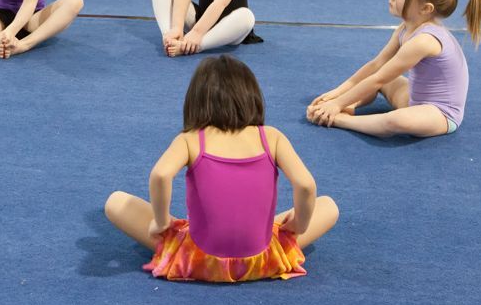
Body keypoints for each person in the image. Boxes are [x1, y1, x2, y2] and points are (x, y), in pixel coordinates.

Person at [104, 55, 338, 283]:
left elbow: (161, 174)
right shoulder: (272, 137)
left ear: (196, 102)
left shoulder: (191, 139)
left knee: (116, 202)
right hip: (262, 260)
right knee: (328, 206)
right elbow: (306, 185)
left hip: (197, 261)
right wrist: (300, 224)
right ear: (251, 97)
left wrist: (161, 221)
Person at [307, 0, 481, 138]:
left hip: (439, 114)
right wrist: (337, 94)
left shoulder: (425, 41)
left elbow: (379, 79)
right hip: (413, 100)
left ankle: (341, 120)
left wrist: (336, 105)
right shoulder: (405, 28)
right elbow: (377, 65)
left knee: (396, 120)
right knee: (381, 77)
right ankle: (350, 106)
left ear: (425, 8)